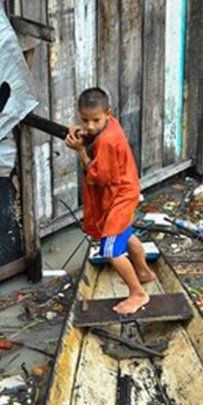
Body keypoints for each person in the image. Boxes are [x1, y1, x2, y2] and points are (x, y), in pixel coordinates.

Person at [64, 87, 156, 314]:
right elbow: (94, 133)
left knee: (111, 250)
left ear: (108, 112)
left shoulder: (107, 141)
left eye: (95, 120)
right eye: (85, 120)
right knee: (126, 234)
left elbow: (99, 177)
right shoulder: (110, 124)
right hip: (127, 189)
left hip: (119, 195)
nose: (91, 126)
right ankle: (143, 272)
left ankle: (138, 294)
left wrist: (81, 151)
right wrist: (84, 134)